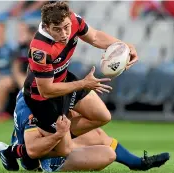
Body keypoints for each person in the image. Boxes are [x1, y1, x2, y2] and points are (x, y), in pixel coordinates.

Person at [23, 1, 138, 154]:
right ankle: (25, 150)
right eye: (57, 30)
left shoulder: (73, 19)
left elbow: (95, 37)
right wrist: (84, 83)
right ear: (46, 27)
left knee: (102, 116)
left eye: (66, 27)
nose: (64, 34)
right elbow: (47, 90)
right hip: (42, 98)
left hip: (64, 79)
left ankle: (54, 140)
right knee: (64, 151)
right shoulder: (40, 50)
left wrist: (124, 46)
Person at [0, 89, 170, 172]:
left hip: (56, 134)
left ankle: (137, 163)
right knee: (67, 147)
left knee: (104, 145)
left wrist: (87, 85)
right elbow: (33, 147)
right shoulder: (31, 105)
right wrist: (59, 134)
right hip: (37, 148)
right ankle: (24, 156)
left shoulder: (58, 86)